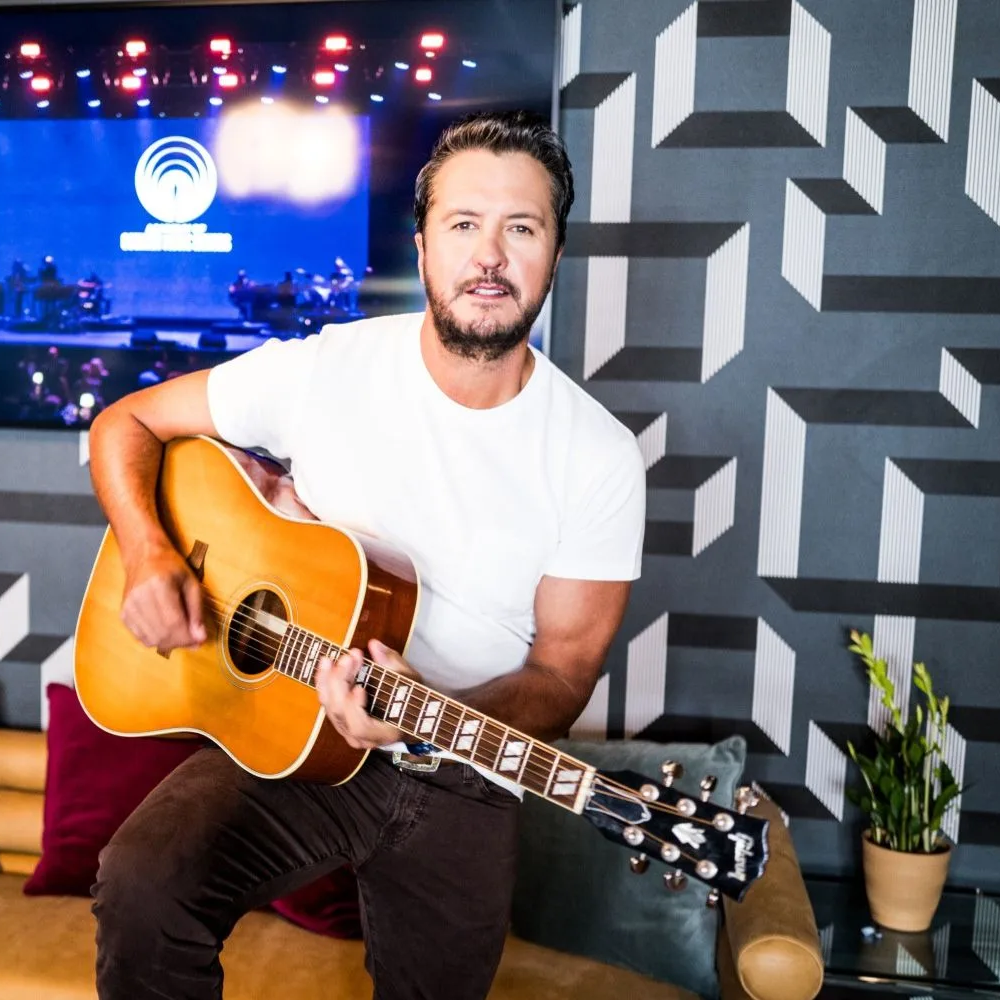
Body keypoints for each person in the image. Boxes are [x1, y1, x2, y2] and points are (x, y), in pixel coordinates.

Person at [85, 109, 647, 1000]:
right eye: (463, 224)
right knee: (145, 884)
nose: (489, 256)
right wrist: (151, 554)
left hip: (464, 768)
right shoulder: (326, 370)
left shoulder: (601, 456)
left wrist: (428, 711)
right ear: (422, 244)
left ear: (555, 257)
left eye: (522, 228)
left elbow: (565, 672)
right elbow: (125, 422)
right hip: (290, 727)